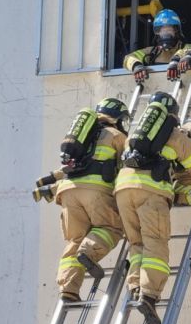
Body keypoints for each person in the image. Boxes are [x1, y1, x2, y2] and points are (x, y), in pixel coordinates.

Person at [115, 92, 191, 324]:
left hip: (122, 189)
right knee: (156, 243)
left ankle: (135, 287)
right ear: (173, 114)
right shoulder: (174, 135)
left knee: (137, 243)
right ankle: (149, 296)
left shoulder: (132, 135)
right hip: (150, 193)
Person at [36, 98, 131, 302]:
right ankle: (88, 254)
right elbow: (129, 166)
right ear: (117, 118)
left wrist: (50, 184)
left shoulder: (81, 139)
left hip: (68, 192)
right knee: (110, 229)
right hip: (97, 191)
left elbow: (66, 169)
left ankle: (68, 288)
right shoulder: (117, 136)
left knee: (75, 240)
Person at [123, 9, 191, 83]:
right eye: (163, 30)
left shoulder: (187, 47)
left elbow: (190, 53)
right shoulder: (152, 52)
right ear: (158, 33)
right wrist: (136, 65)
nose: (166, 34)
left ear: (176, 31)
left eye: (169, 30)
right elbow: (128, 58)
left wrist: (176, 60)